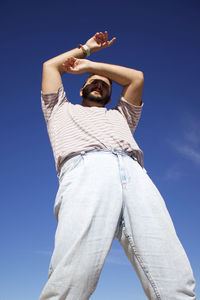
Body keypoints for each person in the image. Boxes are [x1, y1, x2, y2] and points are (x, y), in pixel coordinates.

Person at [39, 31, 196, 300]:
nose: (99, 84)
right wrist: (86, 50)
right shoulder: (58, 109)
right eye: (92, 82)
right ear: (81, 89)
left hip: (135, 174)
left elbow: (136, 78)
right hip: (86, 170)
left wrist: (91, 68)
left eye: (105, 84)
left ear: (111, 95)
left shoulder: (122, 116)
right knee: (72, 276)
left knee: (174, 275)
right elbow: (50, 67)